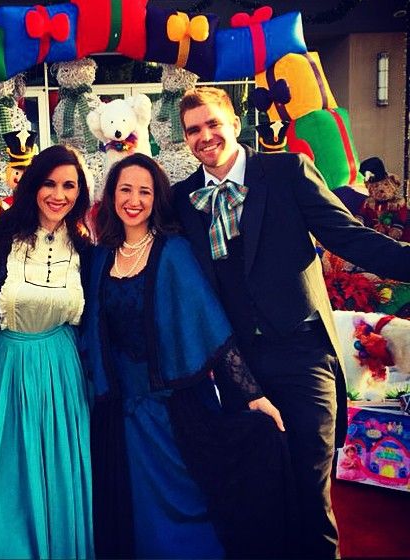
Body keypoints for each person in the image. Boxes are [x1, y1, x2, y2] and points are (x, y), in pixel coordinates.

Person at [172, 86, 410, 558]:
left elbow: (351, 238)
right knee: (255, 497)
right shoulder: (182, 198)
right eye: (193, 130)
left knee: (310, 494)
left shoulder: (286, 171)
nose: (205, 136)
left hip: (302, 355)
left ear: (234, 123)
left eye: (213, 123)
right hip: (237, 367)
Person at [82, 153, 295, 560]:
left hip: (173, 410)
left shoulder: (174, 251)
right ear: (111, 196)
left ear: (156, 199)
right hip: (120, 413)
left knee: (190, 508)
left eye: (144, 192)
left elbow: (210, 324)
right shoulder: (99, 257)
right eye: (125, 190)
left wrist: (253, 394)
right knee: (138, 522)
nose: (134, 200)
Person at [0, 144, 94, 560]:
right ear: (33, 184)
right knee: (3, 479)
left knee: (57, 473)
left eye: (69, 186)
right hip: (1, 365)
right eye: (49, 183)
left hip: (60, 370)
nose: (59, 195)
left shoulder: (85, 246)